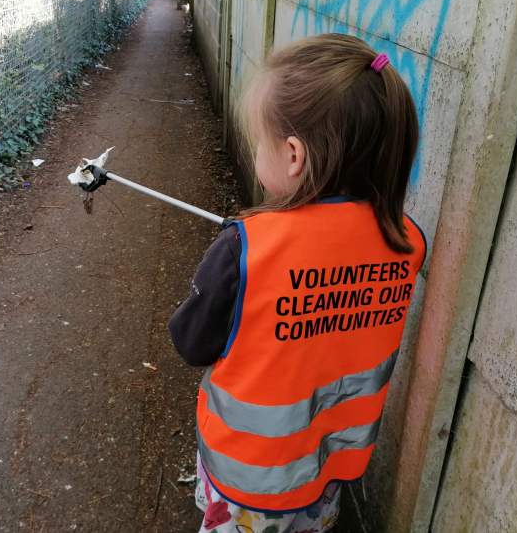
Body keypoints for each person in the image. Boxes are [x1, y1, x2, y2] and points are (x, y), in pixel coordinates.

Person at [168, 33, 427, 533]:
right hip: (328, 466)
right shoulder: (407, 242)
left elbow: (191, 342)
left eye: (257, 144)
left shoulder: (245, 248)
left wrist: (228, 264)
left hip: (251, 480)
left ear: (292, 155)